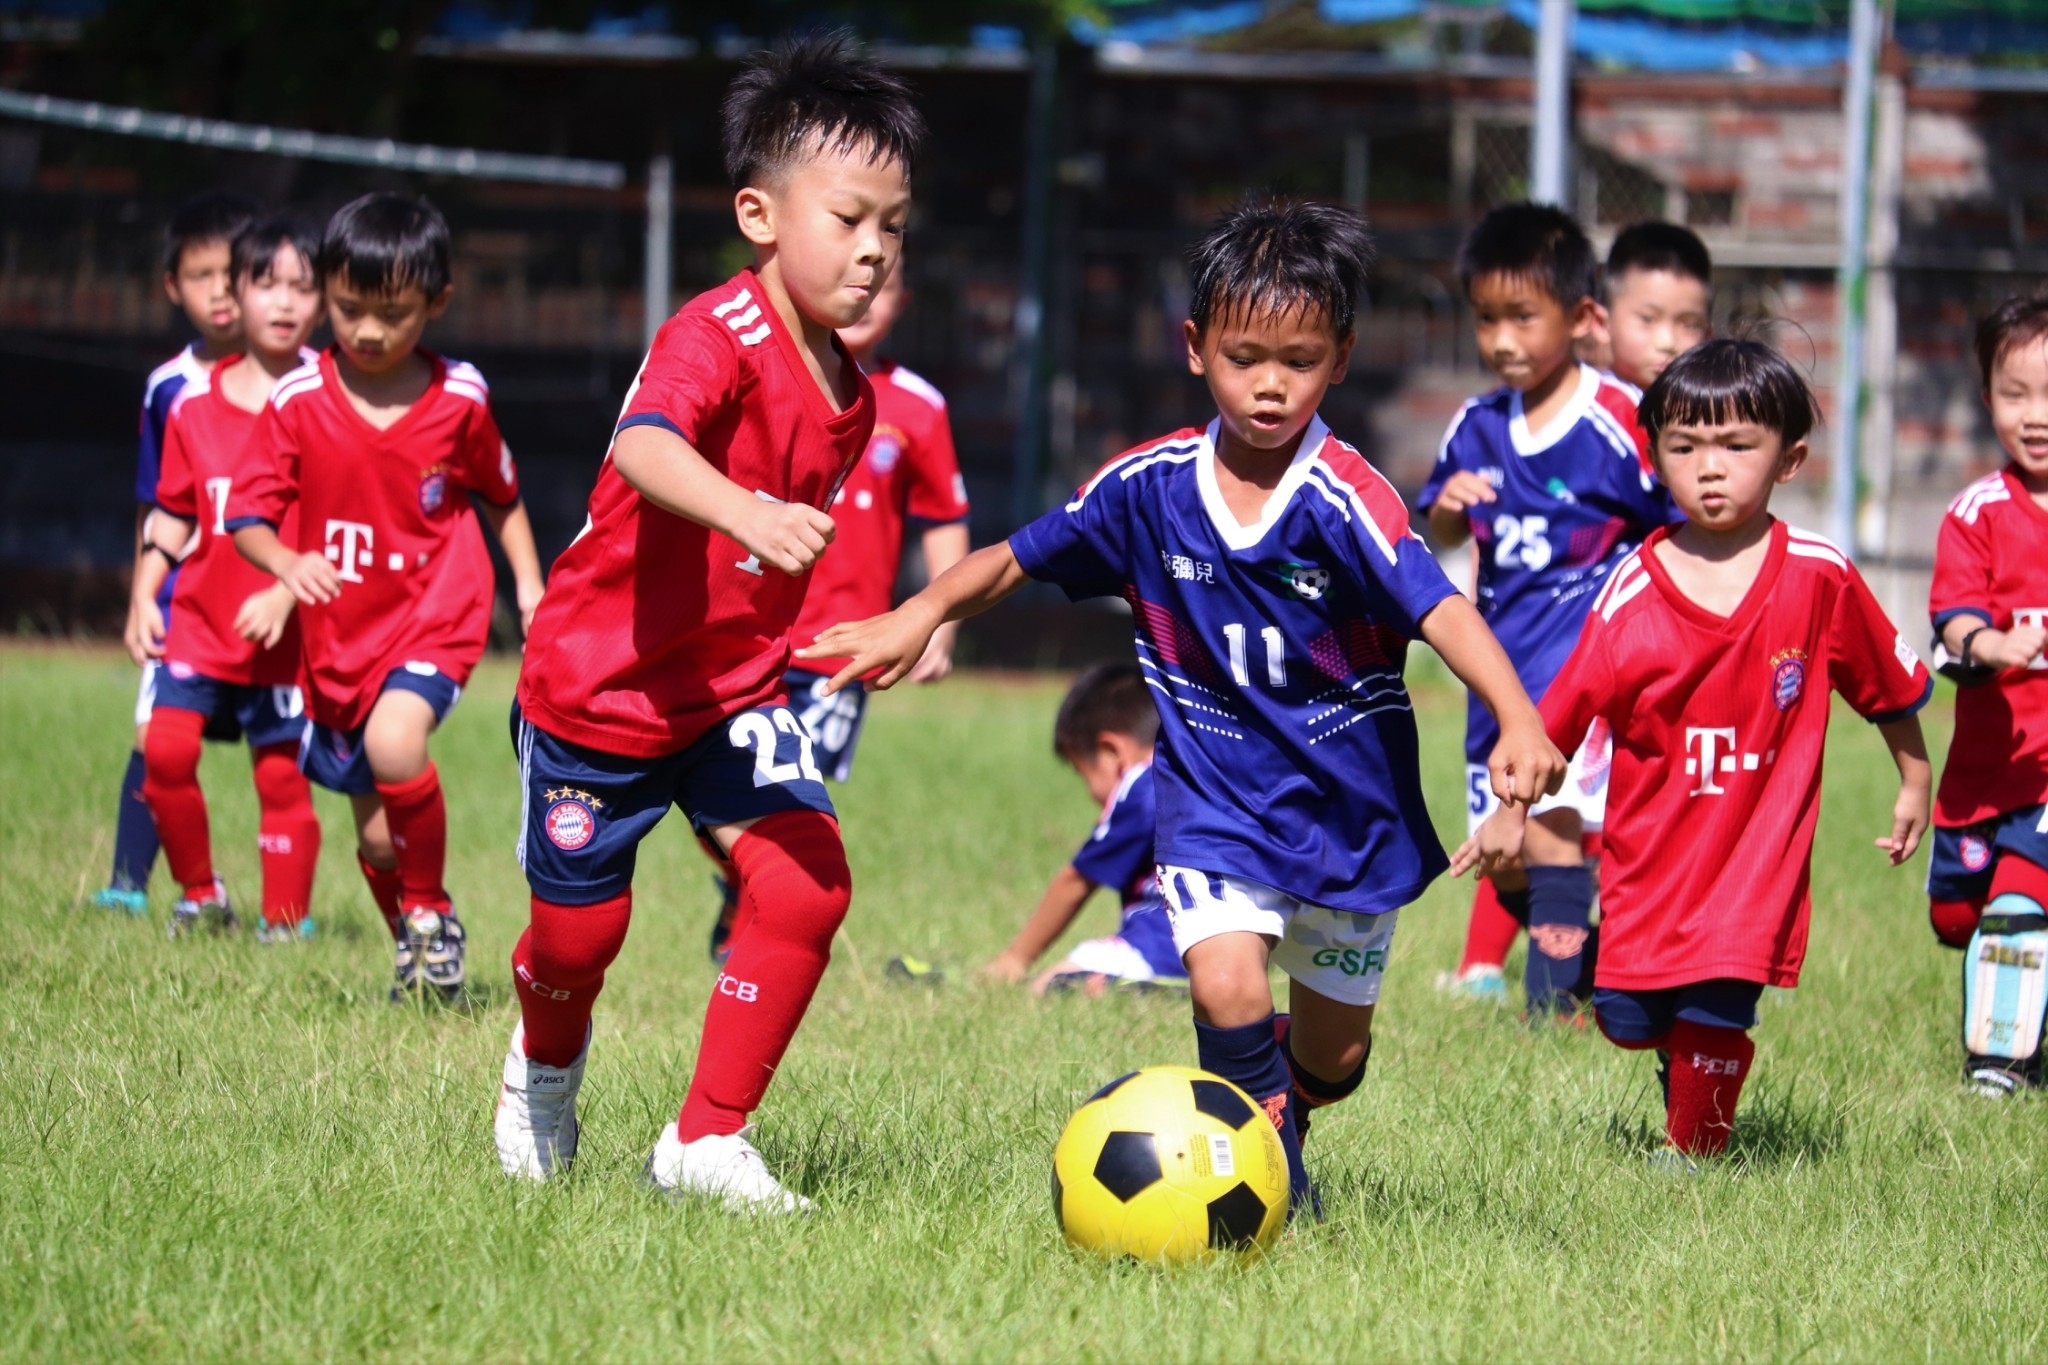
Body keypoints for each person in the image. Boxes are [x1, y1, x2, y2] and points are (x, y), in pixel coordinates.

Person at [804, 199, 1564, 1214]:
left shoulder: (1345, 496)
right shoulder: (1146, 485)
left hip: (1345, 813)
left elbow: (1440, 610)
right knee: (1224, 988)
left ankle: (1287, 1109)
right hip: (1212, 805)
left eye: (1297, 360)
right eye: (1245, 355)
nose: (1268, 383)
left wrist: (1516, 715)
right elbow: (1018, 558)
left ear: (1338, 360)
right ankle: (1267, 1187)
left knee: (1333, 1061)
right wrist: (924, 609)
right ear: (1195, 348)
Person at [492, 31, 923, 1212]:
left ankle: (704, 1138)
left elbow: (775, 565)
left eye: (893, 224)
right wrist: (745, 508)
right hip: (598, 694)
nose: (874, 249)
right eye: (849, 218)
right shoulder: (712, 337)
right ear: (759, 214)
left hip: (730, 695)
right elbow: (641, 446)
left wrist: (892, 624)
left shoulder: (854, 390)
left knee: (806, 886)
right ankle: (542, 1074)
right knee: (577, 947)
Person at [1457, 338, 1933, 1165]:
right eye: (1685, 447)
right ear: (1655, 456)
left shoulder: (1820, 576)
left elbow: (1886, 685)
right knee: (1630, 1019)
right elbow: (1560, 717)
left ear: (1789, 459)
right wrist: (1512, 811)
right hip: (1653, 859)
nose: (1710, 468)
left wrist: (1914, 778)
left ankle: (1693, 1153)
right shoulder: (1633, 588)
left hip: (1756, 857)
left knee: (1720, 1000)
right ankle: (1679, 1067)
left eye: (1737, 446)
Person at [227, 193, 544, 996]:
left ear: (436, 303)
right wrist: (285, 563)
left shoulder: (460, 399)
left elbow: (501, 495)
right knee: (373, 839)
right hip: (341, 634)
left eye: (393, 313)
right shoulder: (298, 399)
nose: (368, 331)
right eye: (349, 308)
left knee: (396, 743)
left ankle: (430, 908)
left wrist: (532, 583)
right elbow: (248, 514)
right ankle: (414, 941)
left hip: (438, 610)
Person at [1418, 203, 1678, 1015]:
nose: (1502, 339)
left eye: (1523, 317)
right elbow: (1439, 522)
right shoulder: (1476, 423)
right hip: (1496, 675)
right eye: (1487, 318)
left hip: (1580, 677)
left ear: (1579, 316)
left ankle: (1553, 1012)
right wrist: (1451, 511)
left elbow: (1672, 522)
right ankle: (1594, 958)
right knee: (1504, 855)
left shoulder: (1619, 417)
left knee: (1552, 825)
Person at [704, 257, 971, 964]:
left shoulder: (918, 406)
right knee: (726, 778)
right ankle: (743, 890)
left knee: (795, 783)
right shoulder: (764, 373)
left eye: (884, 287)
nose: (868, 294)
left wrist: (942, 618)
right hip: (749, 627)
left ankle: (753, 927)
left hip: (842, 645)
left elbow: (944, 516)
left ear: (902, 300)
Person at [129, 216, 324, 941]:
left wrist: (282, 587)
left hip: (286, 634)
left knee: (279, 776)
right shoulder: (191, 404)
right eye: (264, 284)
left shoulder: (326, 404)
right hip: (200, 625)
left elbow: (335, 520)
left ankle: (285, 921)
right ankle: (200, 895)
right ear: (232, 295)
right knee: (166, 752)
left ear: (325, 301)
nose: (283, 303)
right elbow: (176, 509)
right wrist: (145, 587)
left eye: (303, 287)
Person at [92, 192, 255, 916]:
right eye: (200, 275)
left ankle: (289, 910)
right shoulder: (168, 388)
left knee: (287, 752)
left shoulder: (303, 375)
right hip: (185, 601)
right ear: (171, 287)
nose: (219, 290)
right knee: (154, 738)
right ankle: (130, 885)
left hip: (270, 604)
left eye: (232, 272)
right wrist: (140, 596)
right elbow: (158, 504)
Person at [1923, 293, 2048, 1098]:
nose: (2037, 415)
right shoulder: (1977, 514)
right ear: (1986, 395)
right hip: (1985, 771)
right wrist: (1989, 643)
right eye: (2017, 392)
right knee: (1959, 916)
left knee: (2015, 907)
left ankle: (1998, 1067)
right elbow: (1954, 615)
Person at [980, 663, 1184, 995]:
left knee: (1050, 983)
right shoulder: (1195, 779)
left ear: (1111, 752)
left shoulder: (1140, 785)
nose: (1090, 792)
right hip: (1225, 948)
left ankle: (1134, 989)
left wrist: (1015, 960)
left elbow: (1076, 882)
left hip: (1156, 947)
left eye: (1082, 772)